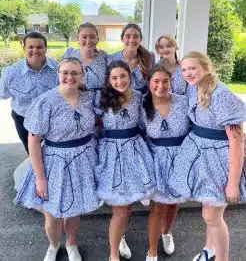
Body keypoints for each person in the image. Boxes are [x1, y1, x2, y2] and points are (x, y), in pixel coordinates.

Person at [14, 57, 100, 261]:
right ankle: (53, 245)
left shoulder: (89, 98)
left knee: (74, 208)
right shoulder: (45, 101)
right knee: (51, 213)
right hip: (54, 162)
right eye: (65, 72)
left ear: (82, 75)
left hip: (83, 160)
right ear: (58, 74)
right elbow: (34, 141)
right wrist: (40, 178)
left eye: (75, 73)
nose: (69, 77)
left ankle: (71, 244)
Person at [169, 51, 246, 261]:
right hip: (200, 157)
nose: (187, 73)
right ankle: (209, 248)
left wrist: (233, 183)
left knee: (212, 216)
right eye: (184, 69)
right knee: (208, 210)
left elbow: (237, 140)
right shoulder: (194, 89)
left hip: (218, 161)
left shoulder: (221, 95)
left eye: (192, 68)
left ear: (206, 66)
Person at [95, 60, 156, 261]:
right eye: (114, 77)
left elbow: (146, 123)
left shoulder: (139, 96)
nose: (119, 81)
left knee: (127, 206)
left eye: (123, 76)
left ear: (130, 76)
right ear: (108, 80)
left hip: (135, 151)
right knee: (120, 210)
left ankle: (120, 236)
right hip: (111, 153)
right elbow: (94, 126)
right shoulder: (101, 98)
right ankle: (113, 255)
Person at [141, 65, 190, 261]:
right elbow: (139, 132)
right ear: (149, 83)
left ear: (171, 82)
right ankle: (152, 250)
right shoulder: (143, 105)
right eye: (156, 81)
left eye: (165, 81)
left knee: (173, 203)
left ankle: (166, 232)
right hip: (156, 159)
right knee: (158, 206)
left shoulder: (184, 102)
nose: (161, 85)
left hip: (180, 157)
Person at [0, 32, 59, 153]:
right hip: (24, 118)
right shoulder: (11, 73)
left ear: (45, 49)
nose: (35, 50)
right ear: (24, 48)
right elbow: (2, 94)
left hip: (52, 118)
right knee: (33, 153)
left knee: (53, 151)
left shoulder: (58, 69)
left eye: (39, 47)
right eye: (30, 47)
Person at [108, 23, 154, 95]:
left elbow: (153, 80)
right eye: (128, 36)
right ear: (122, 38)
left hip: (144, 98)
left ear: (140, 39)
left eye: (136, 36)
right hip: (121, 98)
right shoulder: (112, 58)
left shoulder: (149, 56)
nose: (132, 40)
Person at [62, 22, 107, 91]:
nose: (88, 41)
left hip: (100, 100)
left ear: (97, 39)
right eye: (84, 37)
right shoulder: (69, 54)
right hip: (74, 98)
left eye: (92, 37)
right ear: (78, 38)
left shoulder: (104, 57)